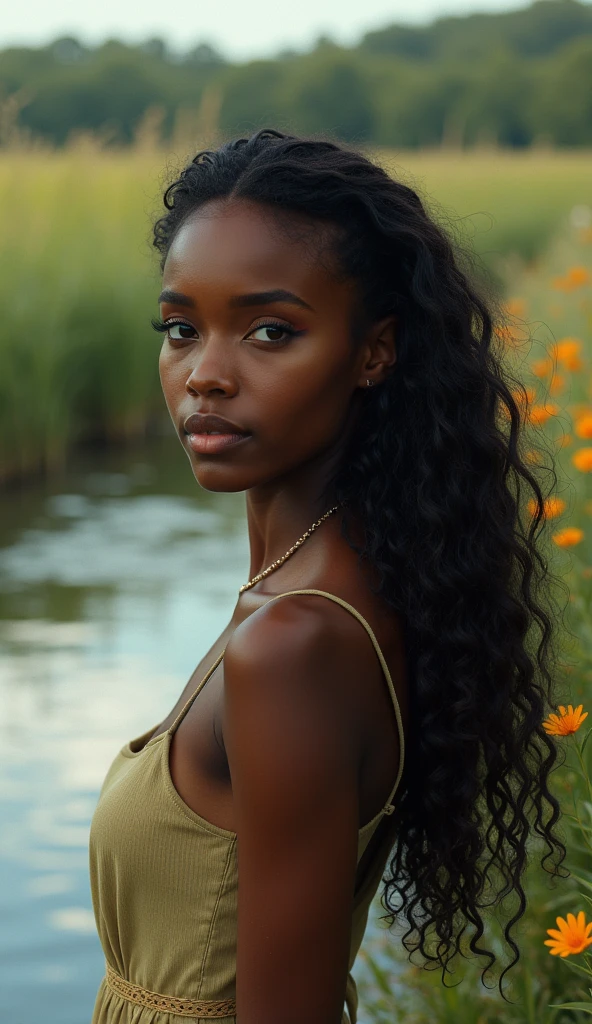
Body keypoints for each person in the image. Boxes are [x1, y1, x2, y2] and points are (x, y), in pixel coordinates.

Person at [88, 128, 566, 1024]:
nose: (206, 376)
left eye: (270, 331)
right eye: (181, 329)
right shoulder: (338, 578)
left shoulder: (294, 642)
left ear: (374, 352)